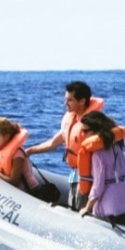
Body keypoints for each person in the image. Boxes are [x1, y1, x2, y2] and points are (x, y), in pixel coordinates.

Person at [25, 81, 104, 210]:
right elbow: (53, 143)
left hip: (87, 179)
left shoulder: (93, 125)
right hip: (74, 176)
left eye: (69, 100)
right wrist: (29, 151)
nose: (65, 104)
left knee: (81, 212)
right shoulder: (71, 121)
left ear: (82, 101)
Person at [76, 112, 125, 226]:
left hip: (109, 207)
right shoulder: (117, 146)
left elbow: (98, 185)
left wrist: (87, 207)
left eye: (85, 131)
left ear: (96, 131)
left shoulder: (98, 154)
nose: (83, 135)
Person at [0, 117, 37, 191]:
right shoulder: (1, 148)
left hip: (29, 192)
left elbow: (13, 182)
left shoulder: (17, 155)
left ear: (6, 136)